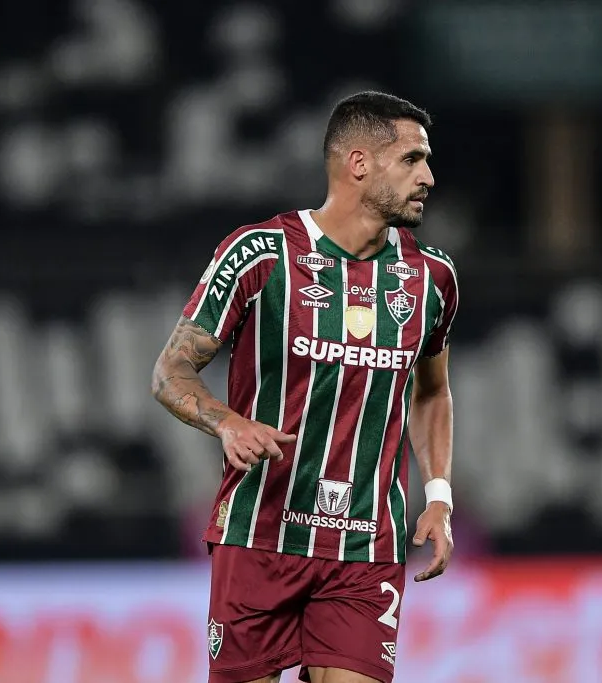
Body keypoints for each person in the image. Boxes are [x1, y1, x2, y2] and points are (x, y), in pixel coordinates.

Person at [151, 91, 458, 683]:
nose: (429, 177)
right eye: (413, 160)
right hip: (260, 531)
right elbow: (170, 371)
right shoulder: (260, 255)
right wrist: (226, 421)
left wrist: (439, 494)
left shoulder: (432, 277)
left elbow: (431, 391)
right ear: (360, 163)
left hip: (367, 546)